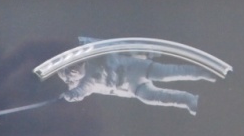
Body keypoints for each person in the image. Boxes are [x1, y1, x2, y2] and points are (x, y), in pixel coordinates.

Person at [57, 46, 217, 115]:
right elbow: (81, 91)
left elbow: (109, 53)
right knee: (150, 97)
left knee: (166, 73)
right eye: (70, 72)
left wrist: (111, 69)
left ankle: (204, 72)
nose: (74, 70)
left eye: (74, 66)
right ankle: (189, 99)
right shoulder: (84, 83)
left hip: (133, 68)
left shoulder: (92, 58)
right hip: (130, 86)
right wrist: (71, 95)